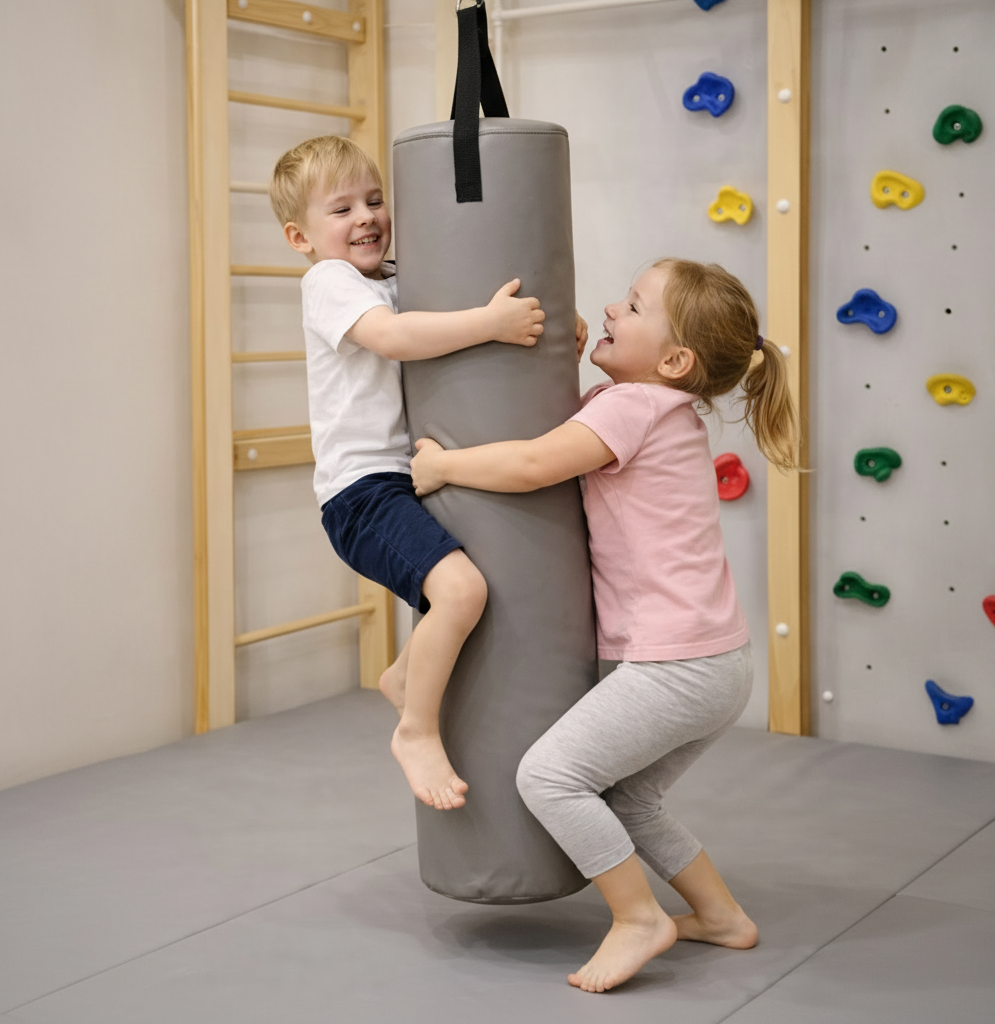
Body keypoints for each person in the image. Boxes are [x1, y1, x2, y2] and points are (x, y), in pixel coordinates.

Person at [410, 258, 799, 993]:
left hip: (674, 668)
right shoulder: (656, 408)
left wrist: (445, 467)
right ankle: (719, 916)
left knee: (550, 776)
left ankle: (638, 919)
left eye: (633, 305)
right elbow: (573, 424)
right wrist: (566, 358)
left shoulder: (630, 410)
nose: (613, 310)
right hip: (718, 663)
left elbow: (532, 464)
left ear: (674, 359)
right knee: (632, 798)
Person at [268, 134, 547, 812]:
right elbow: (393, 338)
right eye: (342, 210)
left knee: (471, 591)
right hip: (361, 493)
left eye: (375, 199)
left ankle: (402, 676)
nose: (366, 217)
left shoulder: (390, 277)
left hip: (408, 477)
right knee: (460, 592)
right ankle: (415, 730)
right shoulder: (328, 283)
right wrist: (488, 322)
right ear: (299, 237)